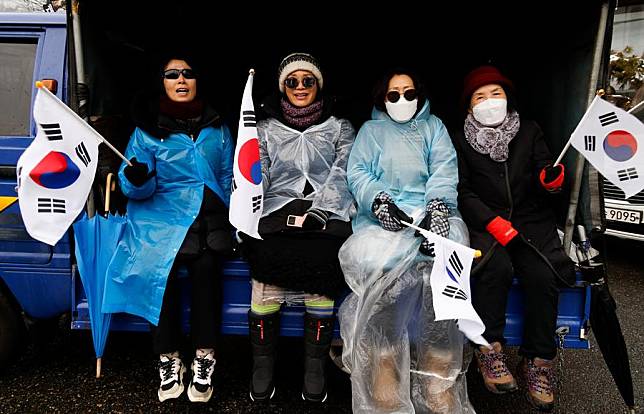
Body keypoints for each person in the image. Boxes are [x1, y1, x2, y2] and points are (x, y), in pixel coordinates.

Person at [338, 68, 474, 413]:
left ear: (420, 95)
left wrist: (437, 210)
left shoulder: (434, 127)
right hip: (383, 223)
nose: (402, 100)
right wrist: (381, 202)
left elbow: (444, 169)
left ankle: (437, 378)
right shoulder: (371, 131)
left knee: (444, 274)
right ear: (382, 99)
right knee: (381, 275)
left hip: (431, 215)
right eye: (393, 94)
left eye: (409, 93)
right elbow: (358, 172)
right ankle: (384, 371)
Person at [451, 65, 575, 412]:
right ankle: (489, 351)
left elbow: (544, 172)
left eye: (496, 94)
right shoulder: (459, 138)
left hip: (530, 222)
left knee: (541, 275)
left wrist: (550, 180)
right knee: (495, 269)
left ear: (507, 98)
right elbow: (461, 190)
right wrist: (491, 222)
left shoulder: (529, 130)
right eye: (479, 96)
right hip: (485, 224)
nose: (488, 101)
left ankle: (538, 361)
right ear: (468, 104)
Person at [113, 55, 234, 403]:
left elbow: (226, 177)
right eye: (172, 74)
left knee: (208, 268)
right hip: (160, 219)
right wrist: (136, 178)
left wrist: (232, 216)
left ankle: (204, 358)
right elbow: (134, 185)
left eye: (189, 73)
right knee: (158, 272)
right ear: (161, 82)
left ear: (198, 81)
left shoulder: (217, 127)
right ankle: (169, 359)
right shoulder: (146, 130)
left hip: (207, 218)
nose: (181, 79)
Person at [240, 52, 355, 403]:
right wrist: (248, 212)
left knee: (324, 257)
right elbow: (255, 173)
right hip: (277, 208)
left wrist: (324, 210)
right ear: (282, 87)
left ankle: (315, 366)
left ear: (318, 85)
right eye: (292, 81)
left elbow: (344, 171)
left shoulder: (339, 126)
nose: (300, 87)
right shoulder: (264, 128)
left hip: (327, 213)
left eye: (308, 81)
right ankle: (262, 364)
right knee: (264, 254)